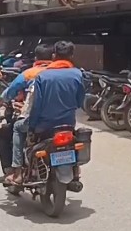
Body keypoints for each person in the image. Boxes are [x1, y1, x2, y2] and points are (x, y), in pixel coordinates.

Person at [5, 41, 85, 186]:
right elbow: (80, 102)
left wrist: (32, 126)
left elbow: (37, 106)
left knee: (17, 127)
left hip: (44, 125)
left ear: (54, 55)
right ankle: (76, 170)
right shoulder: (77, 74)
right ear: (72, 56)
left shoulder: (43, 76)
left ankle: (17, 173)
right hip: (67, 124)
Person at [0, 43, 53, 182]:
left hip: (37, 120)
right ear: (53, 57)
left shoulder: (30, 74)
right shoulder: (62, 73)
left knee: (11, 130)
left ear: (36, 58)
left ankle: (16, 171)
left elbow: (9, 93)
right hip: (62, 120)